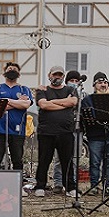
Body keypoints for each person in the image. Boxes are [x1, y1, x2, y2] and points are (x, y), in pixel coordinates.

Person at [34, 66, 78, 197]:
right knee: (44, 160)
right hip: (46, 132)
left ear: (63, 77)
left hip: (66, 132)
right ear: (49, 75)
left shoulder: (71, 89)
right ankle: (40, 185)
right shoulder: (43, 90)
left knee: (67, 161)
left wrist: (52, 102)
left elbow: (73, 101)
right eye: (55, 75)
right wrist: (64, 103)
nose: (57, 77)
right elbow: (43, 105)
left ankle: (70, 187)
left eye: (60, 75)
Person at [0, 62, 33, 171]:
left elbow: (26, 104)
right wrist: (18, 103)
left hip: (17, 130)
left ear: (19, 73)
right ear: (4, 72)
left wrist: (7, 101)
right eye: (9, 69)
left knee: (17, 160)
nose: (12, 70)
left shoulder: (24, 89)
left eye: (14, 69)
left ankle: (17, 185)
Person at [82, 72, 109, 194]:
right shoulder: (88, 99)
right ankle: (94, 185)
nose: (103, 85)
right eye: (100, 82)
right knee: (95, 162)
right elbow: (87, 116)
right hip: (95, 136)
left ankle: (107, 185)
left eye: (105, 82)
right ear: (94, 85)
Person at [52, 70, 83, 195]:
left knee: (75, 157)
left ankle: (72, 183)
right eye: (72, 81)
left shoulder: (82, 94)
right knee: (60, 158)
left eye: (76, 81)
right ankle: (58, 183)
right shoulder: (63, 93)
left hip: (77, 129)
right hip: (62, 128)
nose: (74, 83)